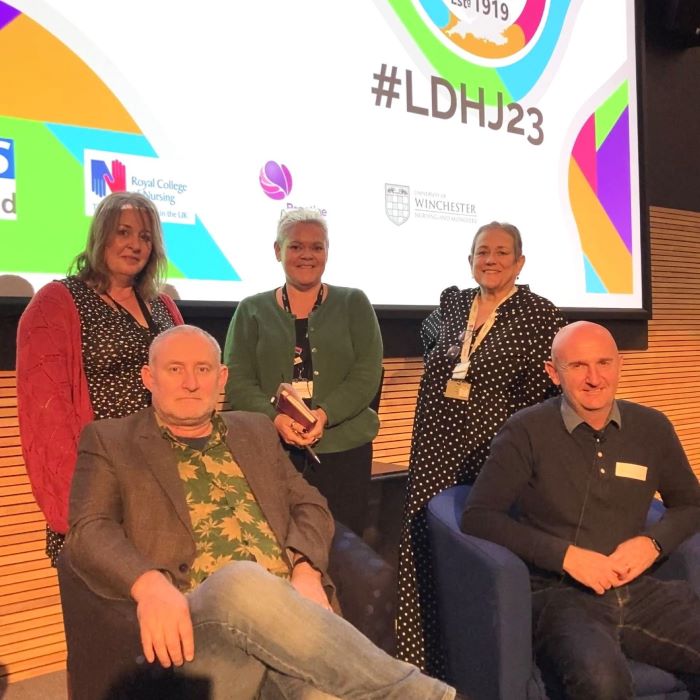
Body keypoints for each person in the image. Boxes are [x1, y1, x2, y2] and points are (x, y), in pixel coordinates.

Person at [62, 325, 466, 700]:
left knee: (322, 694)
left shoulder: (253, 430)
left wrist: (305, 567)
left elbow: (308, 503)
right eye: (174, 369)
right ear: (149, 378)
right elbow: (87, 527)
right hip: (195, 615)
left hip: (287, 620)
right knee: (240, 579)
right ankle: (424, 694)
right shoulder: (111, 440)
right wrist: (148, 585)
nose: (190, 382)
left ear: (221, 378)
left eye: (202, 369)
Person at [461, 321, 700, 699]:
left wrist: (652, 544)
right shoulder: (525, 430)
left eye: (604, 363)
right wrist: (567, 556)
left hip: (641, 590)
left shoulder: (651, 427)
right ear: (553, 373)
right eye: (577, 366)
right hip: (562, 594)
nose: (594, 378)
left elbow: (690, 504)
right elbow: (479, 517)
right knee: (603, 683)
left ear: (619, 365)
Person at [397, 221, 566, 675]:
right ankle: (422, 663)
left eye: (501, 252)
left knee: (478, 553)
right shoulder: (451, 303)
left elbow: (549, 393)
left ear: (520, 262)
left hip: (495, 458)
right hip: (434, 450)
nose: (490, 260)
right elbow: (433, 351)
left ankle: (475, 660)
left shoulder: (541, 314)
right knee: (424, 547)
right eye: (482, 252)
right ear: (470, 259)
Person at [16, 191, 184, 565]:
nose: (134, 245)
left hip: (165, 485)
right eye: (123, 232)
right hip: (100, 484)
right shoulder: (57, 302)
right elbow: (44, 417)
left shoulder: (163, 305)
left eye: (144, 237)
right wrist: (79, 507)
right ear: (100, 236)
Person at [223, 208, 383, 536]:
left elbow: (366, 373)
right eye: (296, 246)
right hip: (272, 450)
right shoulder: (251, 309)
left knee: (344, 549)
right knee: (279, 542)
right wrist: (275, 418)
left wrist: (323, 415)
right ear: (277, 250)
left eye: (317, 246)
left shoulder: (354, 303)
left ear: (327, 252)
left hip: (343, 452)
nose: (306, 255)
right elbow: (237, 379)